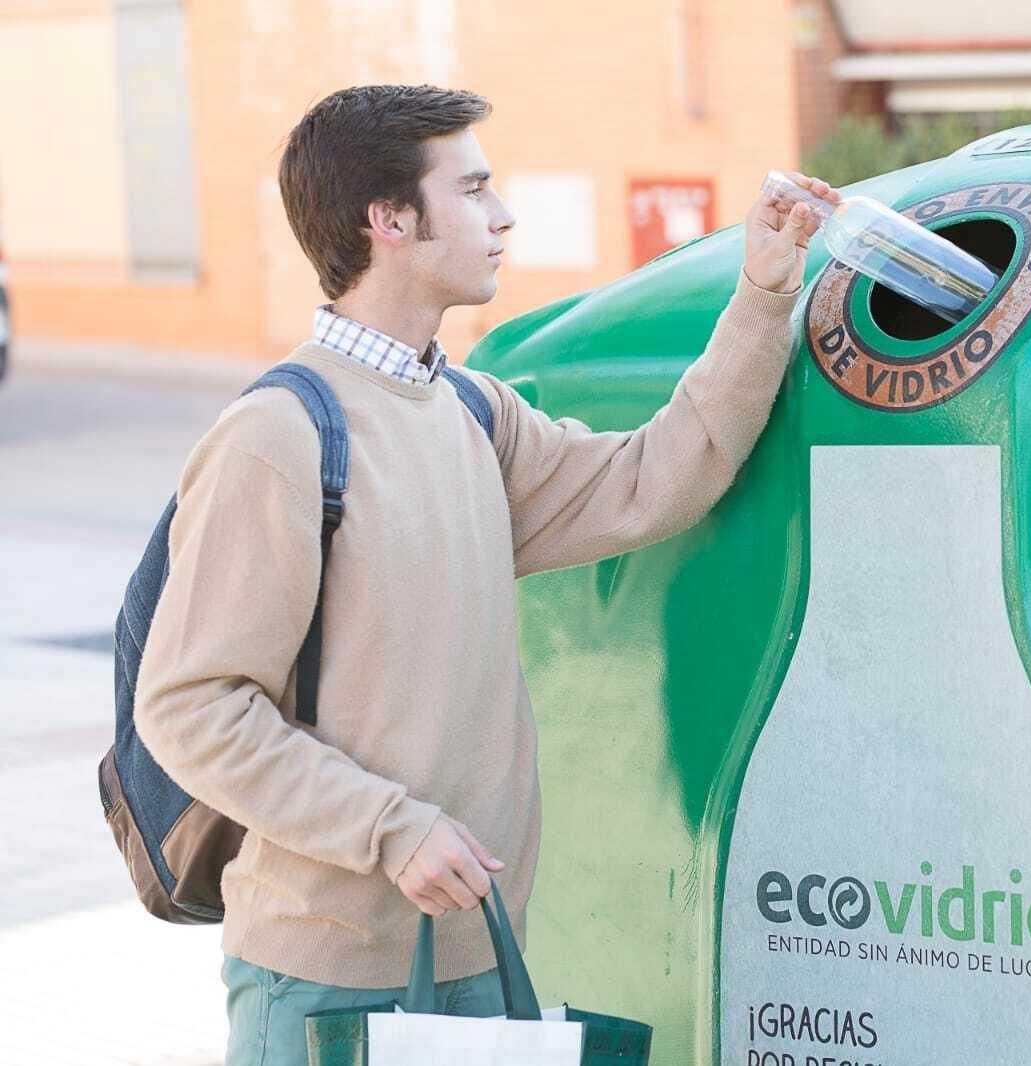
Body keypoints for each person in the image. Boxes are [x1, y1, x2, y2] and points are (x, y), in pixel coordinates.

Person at [131, 84, 837, 1066]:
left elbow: (653, 477)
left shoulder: (471, 412)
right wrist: (393, 830)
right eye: (471, 190)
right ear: (390, 220)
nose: (502, 215)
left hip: (478, 956)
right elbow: (191, 705)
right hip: (323, 977)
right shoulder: (278, 437)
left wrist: (764, 293)